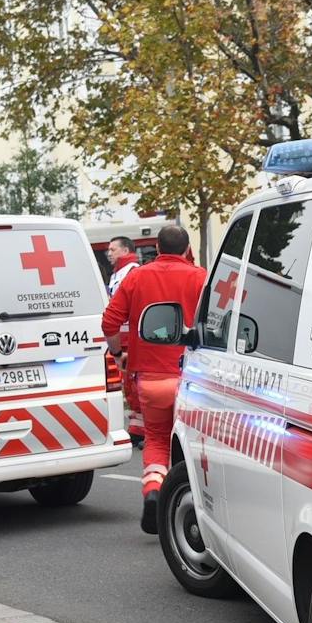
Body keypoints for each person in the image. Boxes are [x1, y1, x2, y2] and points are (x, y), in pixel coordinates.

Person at [101, 224, 205, 533]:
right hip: (193, 380)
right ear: (187, 249)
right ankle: (190, 508)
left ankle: (153, 492)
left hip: (151, 378)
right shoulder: (201, 277)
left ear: (157, 249)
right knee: (193, 446)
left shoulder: (137, 277)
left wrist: (118, 353)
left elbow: (109, 322)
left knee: (158, 441)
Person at [103, 237, 145, 441]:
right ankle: (138, 428)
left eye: (113, 249)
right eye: (108, 250)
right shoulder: (117, 274)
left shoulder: (133, 271)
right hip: (122, 336)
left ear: (126, 249)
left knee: (137, 384)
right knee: (129, 385)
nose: (109, 253)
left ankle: (142, 429)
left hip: (133, 337)